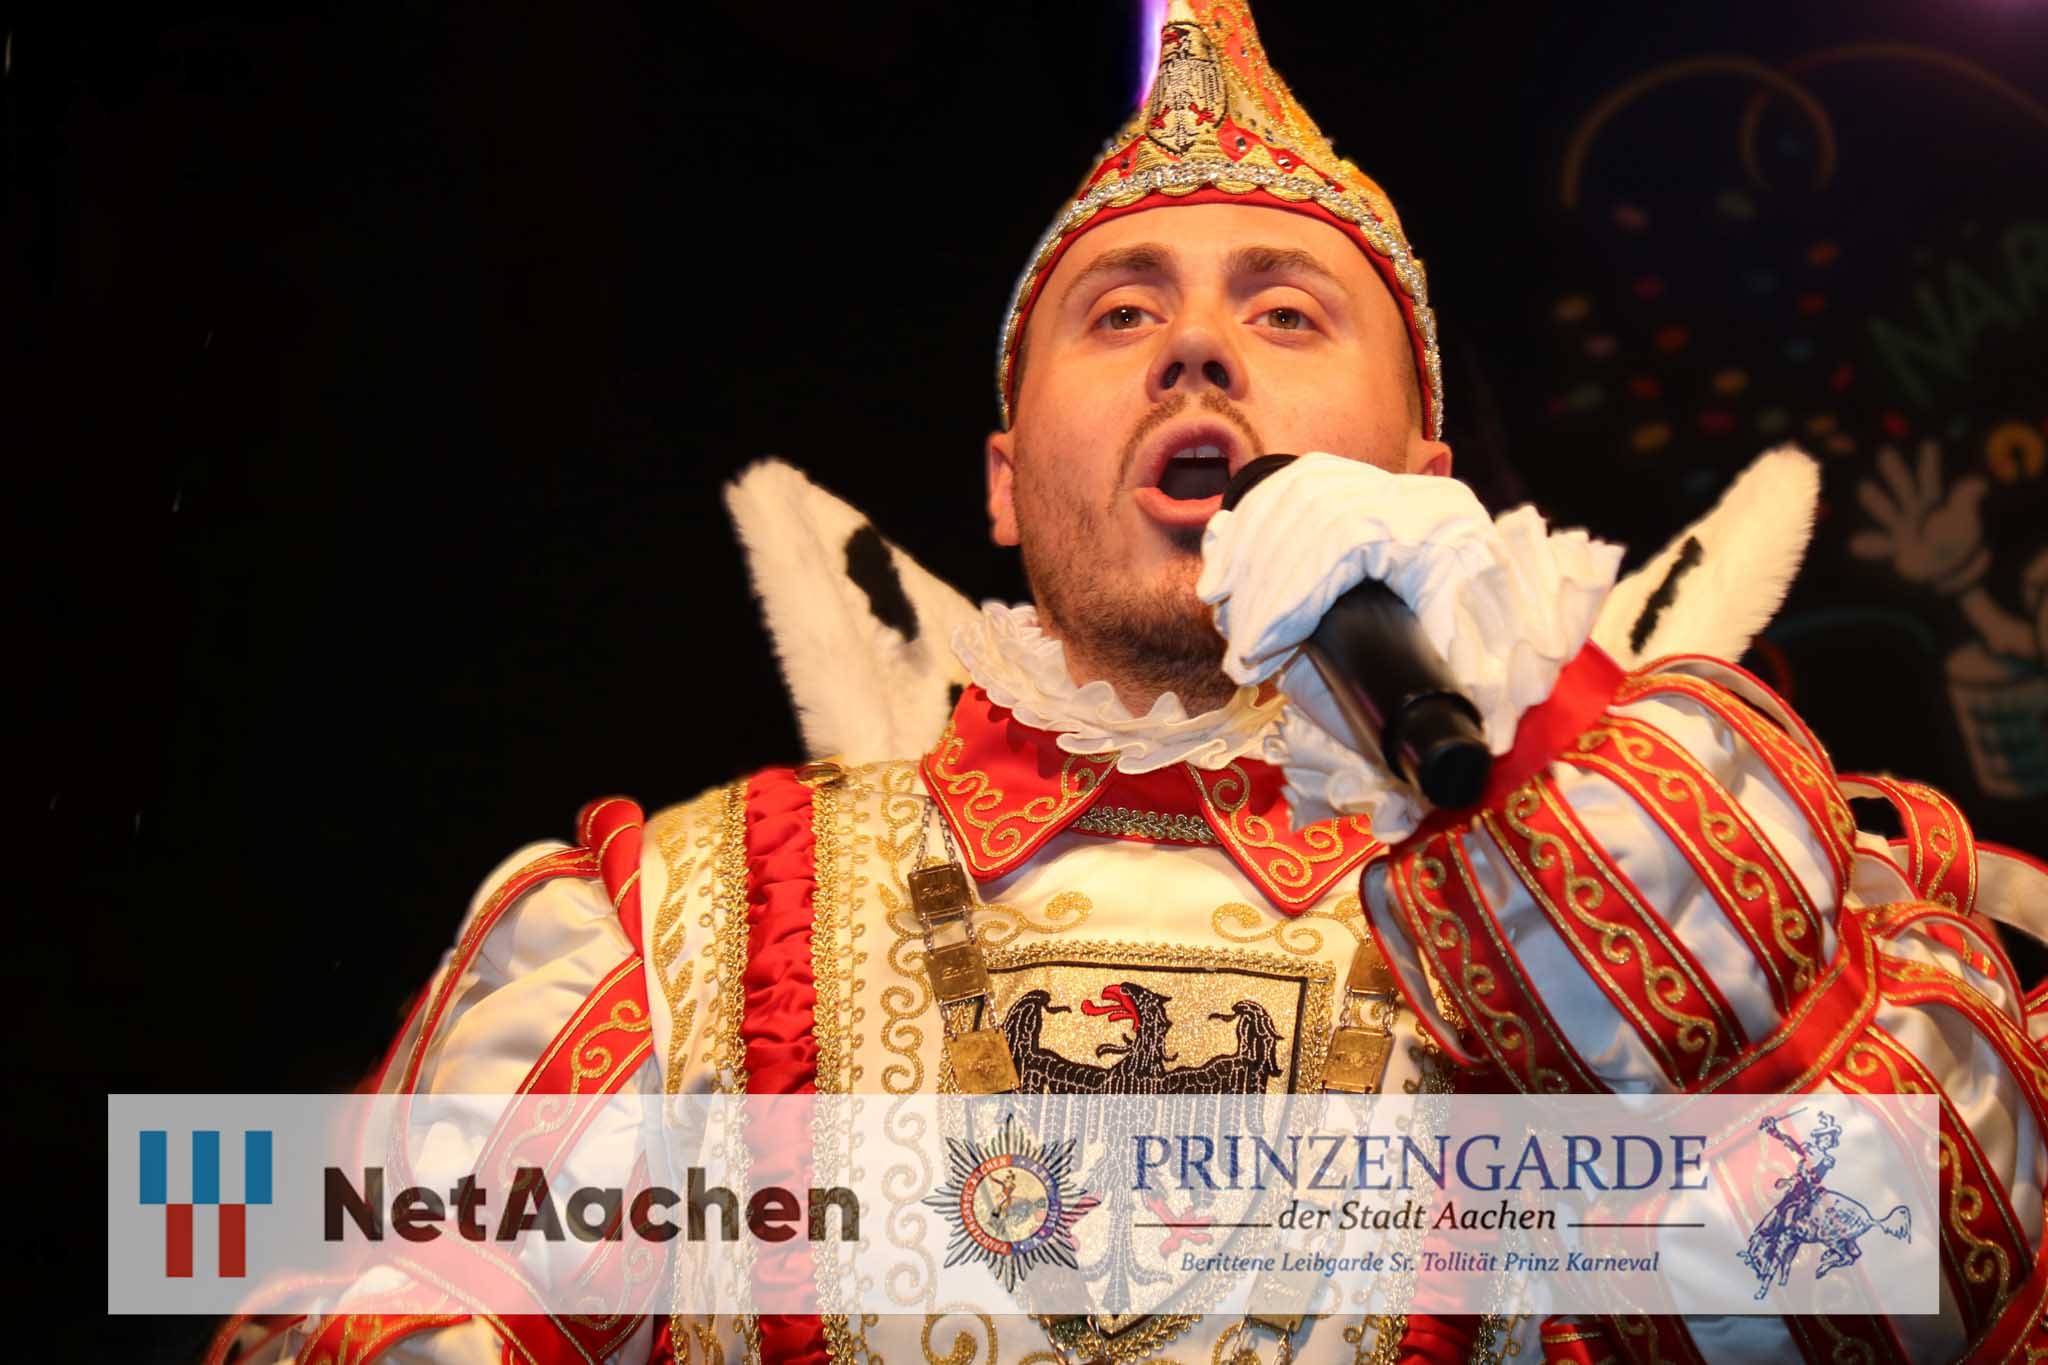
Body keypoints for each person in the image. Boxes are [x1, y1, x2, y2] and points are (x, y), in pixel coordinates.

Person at [209, 2, 2048, 1362]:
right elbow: (355, 1312)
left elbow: (1919, 1276)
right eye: (1123, 310)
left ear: (1421, 469)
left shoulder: (1674, 858)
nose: (1197, 349)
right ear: (1006, 481)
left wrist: (1534, 743)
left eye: (1286, 309)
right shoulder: (682, 927)